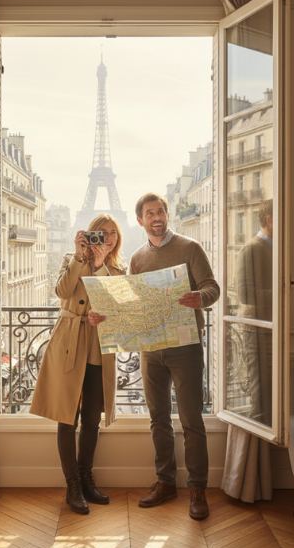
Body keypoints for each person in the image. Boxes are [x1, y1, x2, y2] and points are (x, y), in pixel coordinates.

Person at [89, 193, 220, 520]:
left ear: (166, 214)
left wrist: (198, 298)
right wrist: (105, 316)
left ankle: (197, 488)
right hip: (150, 349)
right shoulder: (137, 258)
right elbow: (131, 305)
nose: (157, 217)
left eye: (161, 211)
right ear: (140, 220)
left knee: (191, 419)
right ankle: (165, 482)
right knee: (158, 419)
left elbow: (213, 288)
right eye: (150, 213)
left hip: (186, 347)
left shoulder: (190, 248)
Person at [30, 214, 127, 515]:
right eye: (100, 233)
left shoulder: (118, 269)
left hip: (100, 347)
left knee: (92, 419)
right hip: (69, 344)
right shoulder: (70, 260)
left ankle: (86, 477)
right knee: (66, 417)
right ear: (89, 235)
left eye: (112, 233)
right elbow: (62, 292)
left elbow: (121, 307)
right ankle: (72, 484)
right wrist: (78, 257)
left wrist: (99, 270)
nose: (106, 239)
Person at [234, 198, 273, 426]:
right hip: (256, 331)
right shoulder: (251, 248)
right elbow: (244, 294)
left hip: (268, 328)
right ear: (269, 220)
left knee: (269, 398)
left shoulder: (272, 247)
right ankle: (253, 460)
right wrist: (282, 292)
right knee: (261, 400)